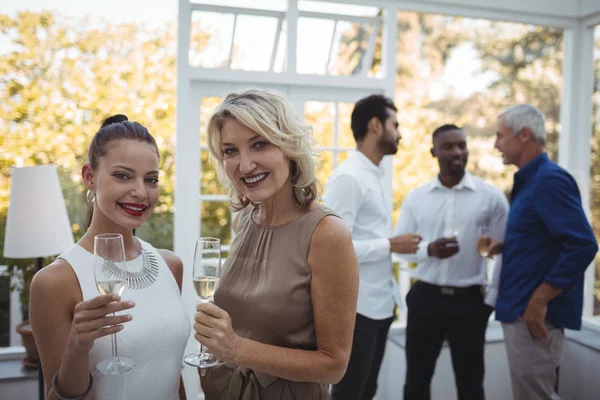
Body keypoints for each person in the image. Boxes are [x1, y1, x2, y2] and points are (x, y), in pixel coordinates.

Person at [193, 89, 359, 399]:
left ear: (289, 147)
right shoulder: (244, 219)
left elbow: (334, 365)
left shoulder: (326, 233)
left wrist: (236, 348)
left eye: (259, 144)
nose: (244, 165)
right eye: (230, 151)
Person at [30, 115, 190, 399]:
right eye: (123, 176)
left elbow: (173, 377)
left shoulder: (170, 265)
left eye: (151, 179)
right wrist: (77, 347)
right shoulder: (55, 281)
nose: (141, 192)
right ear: (89, 177)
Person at [490, 104, 598, 400]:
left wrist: (539, 301)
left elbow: (582, 243)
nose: (496, 144)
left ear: (524, 135)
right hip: (519, 311)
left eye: (500, 136)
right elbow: (545, 238)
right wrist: (510, 245)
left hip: (533, 316)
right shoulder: (529, 181)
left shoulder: (549, 180)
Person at [394, 124, 509, 400]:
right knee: (416, 383)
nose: (457, 152)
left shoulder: (491, 197)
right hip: (425, 299)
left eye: (462, 145)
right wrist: (428, 250)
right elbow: (399, 248)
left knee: (470, 385)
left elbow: (507, 251)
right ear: (434, 152)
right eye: (448, 146)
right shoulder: (417, 197)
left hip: (469, 303)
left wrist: (489, 301)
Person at [323, 94, 422, 400]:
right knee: (350, 394)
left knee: (367, 392)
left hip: (380, 306)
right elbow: (332, 250)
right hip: (357, 310)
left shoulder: (374, 175)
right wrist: (390, 245)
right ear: (376, 125)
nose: (400, 132)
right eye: (395, 124)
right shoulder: (348, 178)